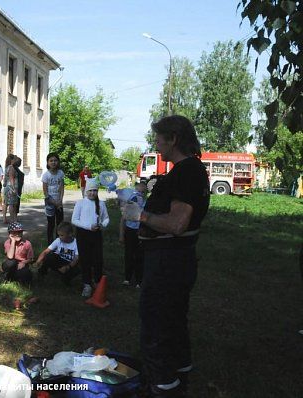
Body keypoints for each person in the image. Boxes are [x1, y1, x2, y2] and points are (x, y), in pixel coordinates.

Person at [122, 115, 210, 397]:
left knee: (156, 325)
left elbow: (176, 224)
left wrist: (141, 215)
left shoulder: (186, 172)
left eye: (159, 138)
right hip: (174, 259)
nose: (156, 143)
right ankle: (179, 378)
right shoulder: (187, 170)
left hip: (168, 262)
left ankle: (161, 386)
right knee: (173, 322)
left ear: (173, 138)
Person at [71, 178, 109, 298]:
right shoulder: (80, 203)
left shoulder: (101, 204)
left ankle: (97, 281)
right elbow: (74, 220)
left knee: (98, 259)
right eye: (90, 190)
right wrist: (88, 226)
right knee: (85, 259)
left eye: (95, 190)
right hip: (83, 234)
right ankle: (86, 283)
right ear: (86, 190)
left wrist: (103, 225)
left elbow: (106, 218)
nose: (93, 193)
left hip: (96, 234)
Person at [119, 182, 147, 288]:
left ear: (145, 193)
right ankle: (127, 278)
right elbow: (123, 221)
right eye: (137, 192)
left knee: (140, 256)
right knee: (129, 254)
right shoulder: (129, 204)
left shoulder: (146, 204)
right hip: (130, 231)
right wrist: (121, 235)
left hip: (141, 232)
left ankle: (139, 280)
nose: (139, 194)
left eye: (142, 192)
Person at [42, 153, 65, 244]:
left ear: (58, 162)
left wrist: (60, 200)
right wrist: (53, 202)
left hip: (59, 202)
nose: (53, 162)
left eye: (55, 160)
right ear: (47, 162)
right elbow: (45, 191)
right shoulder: (46, 175)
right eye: (51, 160)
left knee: (59, 223)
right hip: (50, 202)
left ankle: (59, 241)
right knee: (51, 224)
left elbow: (62, 187)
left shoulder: (60, 173)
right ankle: (50, 243)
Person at [2, 154, 18, 223]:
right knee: (12, 204)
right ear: (12, 160)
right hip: (11, 188)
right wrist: (14, 188)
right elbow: (11, 179)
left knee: (6, 203)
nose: (15, 160)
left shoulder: (6, 167)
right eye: (14, 159)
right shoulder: (11, 167)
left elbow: (5, 179)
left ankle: (4, 218)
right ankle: (13, 220)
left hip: (7, 188)